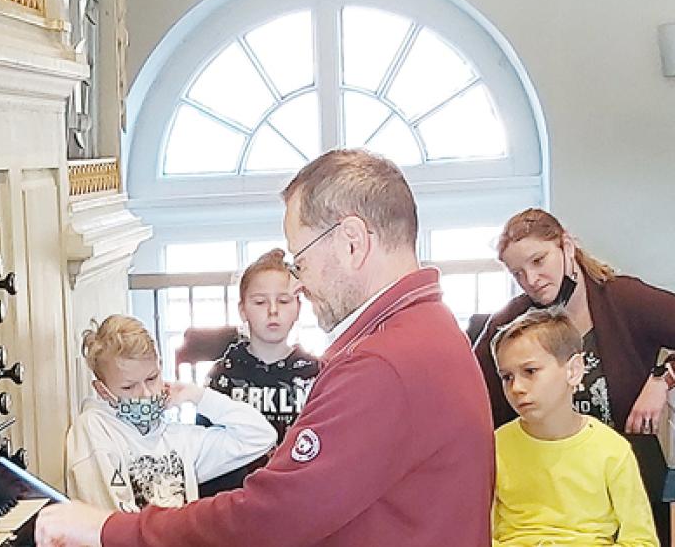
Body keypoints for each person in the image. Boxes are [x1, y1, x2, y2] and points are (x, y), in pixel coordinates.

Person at [36, 148, 495, 546]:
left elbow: (272, 517)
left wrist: (110, 531)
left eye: (301, 259)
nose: (299, 281)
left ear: (352, 243)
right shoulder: (427, 328)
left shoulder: (382, 363)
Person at [472, 208, 675, 543]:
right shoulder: (510, 323)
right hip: (546, 490)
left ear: (566, 246)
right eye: (518, 273)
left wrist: (661, 379)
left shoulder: (625, 300)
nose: (531, 280)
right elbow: (470, 393)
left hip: (625, 475)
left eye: (539, 261)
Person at [65, 314, 277, 512]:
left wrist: (196, 396)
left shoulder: (179, 438)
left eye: (152, 378)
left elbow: (260, 436)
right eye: (129, 388)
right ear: (103, 390)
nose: (146, 394)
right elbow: (105, 521)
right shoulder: (94, 429)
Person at [491, 307, 658, 546]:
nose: (516, 388)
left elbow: (642, 541)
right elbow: (478, 532)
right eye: (507, 377)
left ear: (574, 370)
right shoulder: (495, 447)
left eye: (530, 371)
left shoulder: (612, 450)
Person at [197, 248, 320, 495]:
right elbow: (205, 452)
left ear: (297, 307)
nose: (273, 311)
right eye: (260, 302)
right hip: (235, 503)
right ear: (243, 310)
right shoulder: (222, 378)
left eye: (284, 301)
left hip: (300, 500)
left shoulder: (316, 376)